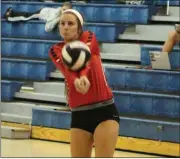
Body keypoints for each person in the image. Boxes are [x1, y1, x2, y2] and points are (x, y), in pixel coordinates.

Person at [49, 9, 120, 157]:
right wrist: (76, 80)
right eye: (62, 23)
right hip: (79, 114)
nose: (65, 27)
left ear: (79, 27)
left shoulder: (89, 37)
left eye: (70, 23)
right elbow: (67, 69)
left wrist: (82, 76)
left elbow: (84, 55)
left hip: (104, 111)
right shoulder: (56, 50)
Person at [4, 2, 72, 32]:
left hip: (45, 10)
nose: (64, 12)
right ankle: (9, 17)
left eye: (67, 10)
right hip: (41, 13)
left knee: (27, 14)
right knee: (26, 17)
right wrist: (57, 20)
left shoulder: (63, 14)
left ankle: (11, 13)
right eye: (64, 9)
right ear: (61, 8)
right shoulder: (56, 14)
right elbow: (47, 28)